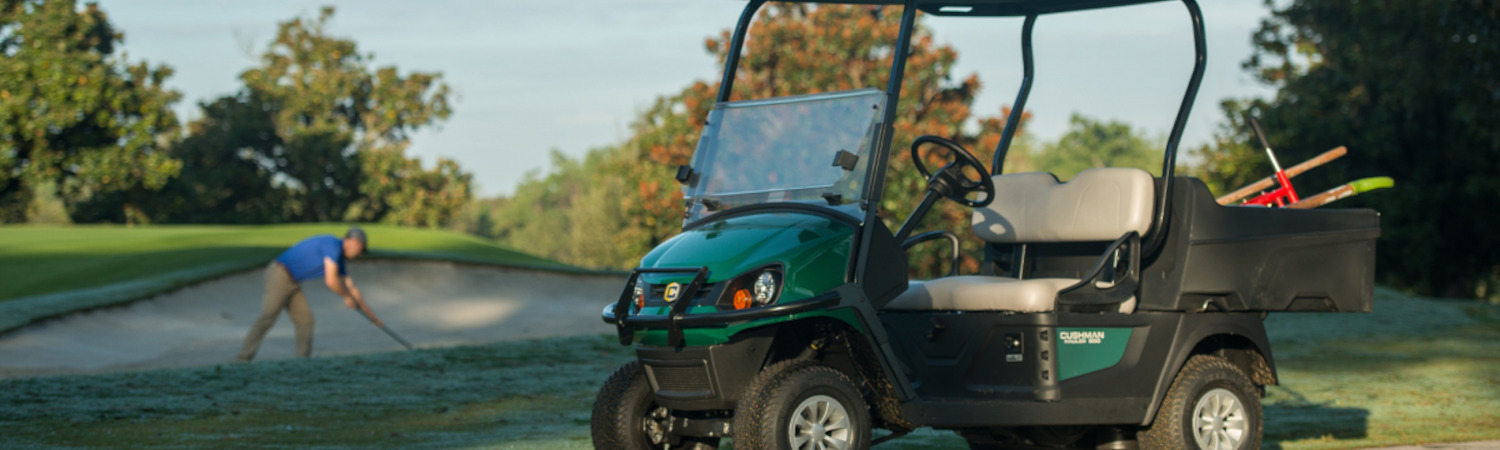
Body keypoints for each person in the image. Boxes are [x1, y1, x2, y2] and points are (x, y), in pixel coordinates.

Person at [235, 227, 384, 361]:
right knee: (267, 317)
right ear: (355, 243)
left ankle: (302, 362)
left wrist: (373, 318)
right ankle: (242, 359)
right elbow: (331, 281)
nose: (360, 254)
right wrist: (346, 297)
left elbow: (352, 289)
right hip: (279, 275)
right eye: (361, 249)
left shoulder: (339, 258)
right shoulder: (332, 245)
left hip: (292, 282)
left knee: (306, 320)